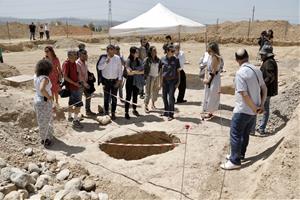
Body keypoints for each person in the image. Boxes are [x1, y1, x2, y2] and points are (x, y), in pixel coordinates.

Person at [220, 49, 267, 170]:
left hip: (243, 109)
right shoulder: (257, 70)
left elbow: (244, 94)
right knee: (245, 134)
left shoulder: (241, 72)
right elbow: (264, 88)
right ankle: (240, 155)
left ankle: (235, 161)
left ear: (236, 60)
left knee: (235, 133)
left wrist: (254, 108)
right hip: (254, 110)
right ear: (248, 57)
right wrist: (260, 105)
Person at [97, 45, 123, 120]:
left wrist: (119, 80)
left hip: (115, 81)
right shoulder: (103, 58)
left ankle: (113, 112)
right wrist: (106, 62)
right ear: (107, 51)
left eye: (114, 50)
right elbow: (99, 67)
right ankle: (106, 112)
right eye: (111, 50)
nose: (113, 51)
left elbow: (120, 70)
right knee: (106, 97)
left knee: (114, 98)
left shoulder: (117, 58)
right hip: (106, 81)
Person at [257, 45, 278, 135]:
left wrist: (262, 85)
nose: (261, 56)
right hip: (266, 90)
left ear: (267, 54)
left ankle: (261, 129)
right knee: (264, 108)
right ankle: (261, 127)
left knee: (265, 109)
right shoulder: (268, 61)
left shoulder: (269, 62)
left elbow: (270, 77)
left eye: (262, 54)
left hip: (267, 91)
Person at [33, 59, 54, 147]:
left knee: (41, 120)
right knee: (46, 120)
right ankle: (45, 139)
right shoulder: (45, 78)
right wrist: (49, 97)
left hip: (37, 99)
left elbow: (38, 89)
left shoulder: (36, 76)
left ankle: (46, 136)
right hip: (44, 100)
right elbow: (42, 89)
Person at [63, 50, 84, 129]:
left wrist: (79, 82)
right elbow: (65, 76)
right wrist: (75, 83)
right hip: (72, 87)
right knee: (79, 104)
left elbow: (76, 74)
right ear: (70, 56)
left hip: (75, 86)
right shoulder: (66, 64)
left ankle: (70, 117)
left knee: (71, 103)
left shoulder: (74, 63)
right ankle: (75, 121)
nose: (76, 56)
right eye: (75, 54)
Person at [201, 42, 222, 119]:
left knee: (212, 95)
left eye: (209, 50)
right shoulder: (210, 56)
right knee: (207, 94)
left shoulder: (215, 57)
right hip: (210, 77)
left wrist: (208, 81)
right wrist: (205, 77)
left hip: (214, 78)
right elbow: (207, 68)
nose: (208, 52)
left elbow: (213, 71)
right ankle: (207, 110)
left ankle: (210, 112)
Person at [160, 45, 181, 121]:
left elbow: (178, 72)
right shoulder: (162, 59)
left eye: (174, 51)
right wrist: (161, 81)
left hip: (173, 81)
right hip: (165, 80)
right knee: (164, 96)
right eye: (172, 51)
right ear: (168, 51)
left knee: (171, 97)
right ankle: (166, 111)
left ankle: (171, 114)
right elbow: (161, 71)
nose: (173, 53)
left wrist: (179, 81)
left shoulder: (176, 60)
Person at [124, 46, 144, 120]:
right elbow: (129, 73)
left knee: (135, 96)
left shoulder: (139, 60)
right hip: (130, 81)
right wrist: (138, 71)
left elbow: (143, 71)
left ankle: (134, 110)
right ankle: (126, 112)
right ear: (132, 53)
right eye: (136, 52)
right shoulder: (128, 61)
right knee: (128, 97)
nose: (138, 53)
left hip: (136, 81)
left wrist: (134, 71)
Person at [76, 49, 96, 116]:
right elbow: (79, 76)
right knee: (79, 100)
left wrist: (90, 76)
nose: (86, 56)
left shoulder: (84, 62)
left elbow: (86, 72)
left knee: (88, 96)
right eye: (84, 54)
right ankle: (77, 114)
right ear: (80, 55)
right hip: (80, 84)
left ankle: (88, 111)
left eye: (86, 54)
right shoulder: (77, 63)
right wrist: (85, 84)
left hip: (86, 83)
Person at [143, 46, 161, 113]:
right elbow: (144, 69)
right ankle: (146, 106)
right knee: (148, 92)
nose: (155, 52)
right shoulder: (147, 60)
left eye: (155, 50)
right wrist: (145, 78)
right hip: (149, 77)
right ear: (150, 52)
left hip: (156, 77)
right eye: (154, 50)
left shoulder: (158, 59)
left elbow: (160, 68)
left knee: (155, 91)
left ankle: (153, 104)